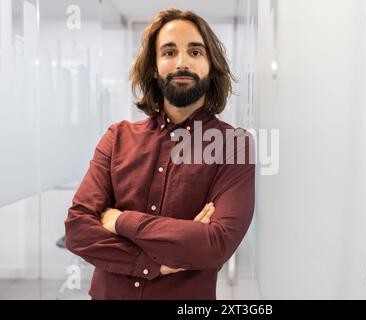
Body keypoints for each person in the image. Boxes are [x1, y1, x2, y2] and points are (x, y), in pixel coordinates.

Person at [64, 7, 255, 300]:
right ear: (154, 67)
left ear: (211, 66)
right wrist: (153, 262)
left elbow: (216, 244)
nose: (182, 63)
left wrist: (119, 221)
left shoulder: (233, 145)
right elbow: (78, 229)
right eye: (168, 52)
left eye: (195, 52)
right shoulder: (117, 137)